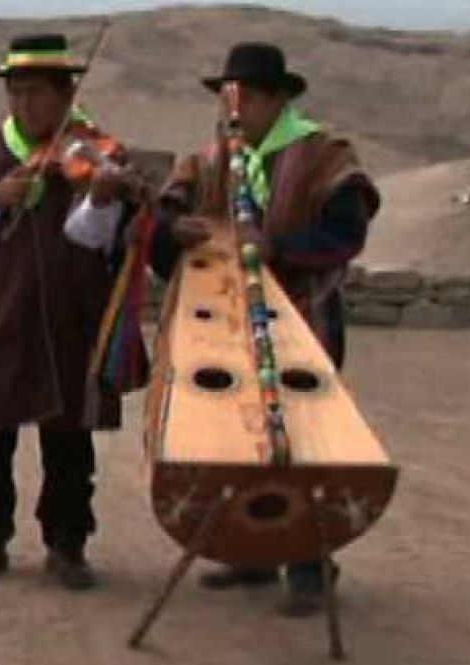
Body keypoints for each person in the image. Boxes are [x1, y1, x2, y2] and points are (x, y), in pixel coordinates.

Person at [152, 42, 380, 616]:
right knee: (240, 435)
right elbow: (164, 212)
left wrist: (278, 246)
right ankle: (251, 553)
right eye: (229, 97)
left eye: (249, 97)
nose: (236, 109)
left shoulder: (323, 156)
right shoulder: (211, 159)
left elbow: (346, 234)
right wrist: (173, 228)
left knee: (303, 440)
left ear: (279, 100)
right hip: (226, 326)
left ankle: (310, 566)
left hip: (305, 320)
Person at [0, 34, 136, 590]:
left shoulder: (95, 153)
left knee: (69, 434)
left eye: (37, 93)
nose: (24, 104)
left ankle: (67, 544)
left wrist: (101, 197)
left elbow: (90, 237)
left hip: (71, 310)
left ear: (66, 95)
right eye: (16, 93)